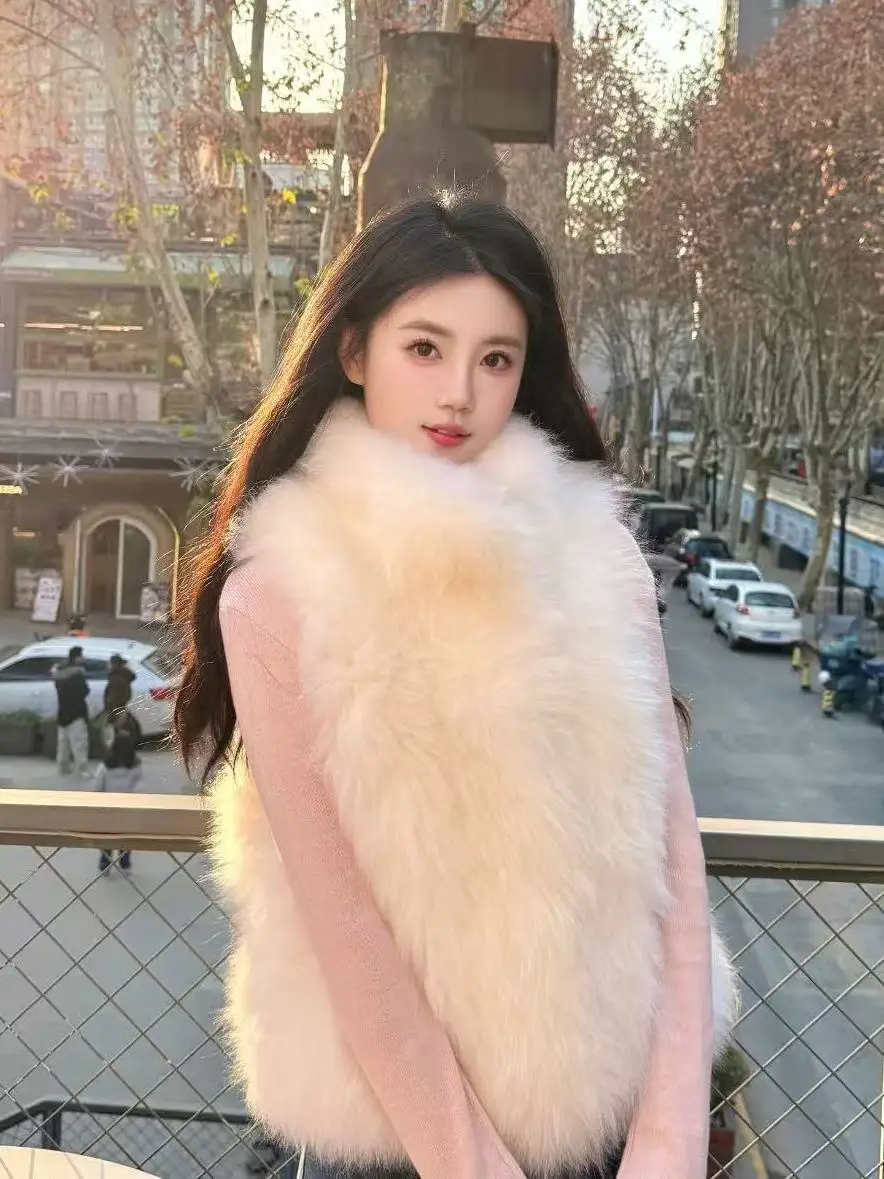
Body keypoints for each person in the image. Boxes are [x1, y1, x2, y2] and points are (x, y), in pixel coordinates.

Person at [173, 193, 737, 1179]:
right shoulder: (284, 588)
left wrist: (668, 1143)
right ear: (354, 350)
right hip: (391, 1138)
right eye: (425, 348)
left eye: (496, 359)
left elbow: (671, 860)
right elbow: (347, 928)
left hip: (606, 1128)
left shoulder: (596, 554)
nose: (459, 393)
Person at [93, 730, 143, 873]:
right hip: (128, 808)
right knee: (126, 837)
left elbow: (97, 787)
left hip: (107, 808)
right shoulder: (136, 766)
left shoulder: (105, 767)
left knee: (106, 837)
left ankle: (105, 862)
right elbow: (139, 786)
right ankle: (125, 862)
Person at [52, 645, 90, 777]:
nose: (83, 658)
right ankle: (82, 770)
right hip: (77, 712)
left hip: (63, 712)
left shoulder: (58, 673)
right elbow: (84, 691)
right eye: (82, 656)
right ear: (77, 657)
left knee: (63, 742)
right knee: (79, 743)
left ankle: (63, 767)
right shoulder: (78, 674)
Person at [102, 654, 137, 744]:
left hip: (116, 708)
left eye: (109, 663)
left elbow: (113, 697)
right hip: (121, 708)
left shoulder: (116, 678)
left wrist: (109, 708)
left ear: (114, 664)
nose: (108, 665)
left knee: (116, 731)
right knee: (122, 729)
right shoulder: (123, 676)